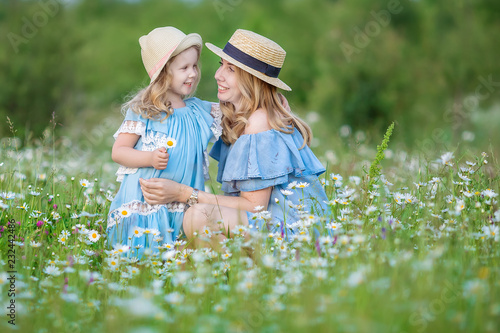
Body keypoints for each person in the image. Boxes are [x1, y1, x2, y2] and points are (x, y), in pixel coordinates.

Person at [139, 29, 329, 244]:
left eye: (231, 69)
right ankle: (232, 272)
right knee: (185, 242)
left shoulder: (259, 121)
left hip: (292, 235)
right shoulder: (240, 117)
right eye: (222, 64)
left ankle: (246, 274)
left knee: (197, 216)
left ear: (251, 80)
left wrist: (184, 193)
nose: (218, 75)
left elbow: (255, 207)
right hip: (267, 226)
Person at [106, 27, 222, 256]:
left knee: (175, 257)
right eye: (184, 68)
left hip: (182, 202)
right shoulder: (145, 110)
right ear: (163, 73)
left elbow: (236, 109)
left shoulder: (198, 110)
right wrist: (149, 158)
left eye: (195, 66)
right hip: (146, 202)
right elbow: (119, 151)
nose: (192, 73)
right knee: (143, 258)